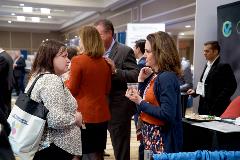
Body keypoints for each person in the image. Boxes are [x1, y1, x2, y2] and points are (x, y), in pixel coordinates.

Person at [125, 31, 183, 158]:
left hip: (160, 138)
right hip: (150, 135)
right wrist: (140, 82)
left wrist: (140, 101)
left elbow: (167, 114)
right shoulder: (156, 75)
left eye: (148, 51)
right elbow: (142, 107)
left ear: (160, 53)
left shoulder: (166, 77)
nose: (145, 55)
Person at [23, 40, 82, 160]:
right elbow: (55, 119)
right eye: (64, 56)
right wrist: (76, 118)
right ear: (50, 58)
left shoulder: (38, 76)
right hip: (55, 147)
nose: (68, 60)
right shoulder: (51, 80)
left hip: (46, 146)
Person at [94, 19, 139, 160]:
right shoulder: (95, 52)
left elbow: (135, 75)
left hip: (118, 108)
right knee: (97, 146)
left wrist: (115, 71)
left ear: (110, 34)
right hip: (99, 107)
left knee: (120, 147)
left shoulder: (125, 51)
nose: (97, 39)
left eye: (99, 35)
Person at [66, 26, 112, 160]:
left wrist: (64, 83)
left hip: (83, 115)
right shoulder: (105, 63)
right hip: (102, 114)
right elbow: (107, 89)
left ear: (85, 41)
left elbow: (72, 89)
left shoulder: (78, 60)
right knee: (98, 153)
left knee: (77, 153)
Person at [187, 41, 237, 117]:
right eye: (204, 51)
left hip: (216, 109)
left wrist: (218, 102)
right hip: (203, 107)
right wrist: (195, 91)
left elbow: (232, 86)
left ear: (215, 51)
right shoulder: (207, 64)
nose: (204, 53)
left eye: (207, 51)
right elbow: (204, 83)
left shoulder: (223, 65)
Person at [0, 48, 14, 117]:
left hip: (3, 86)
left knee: (4, 106)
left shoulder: (2, 57)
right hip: (8, 85)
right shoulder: (7, 55)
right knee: (7, 105)